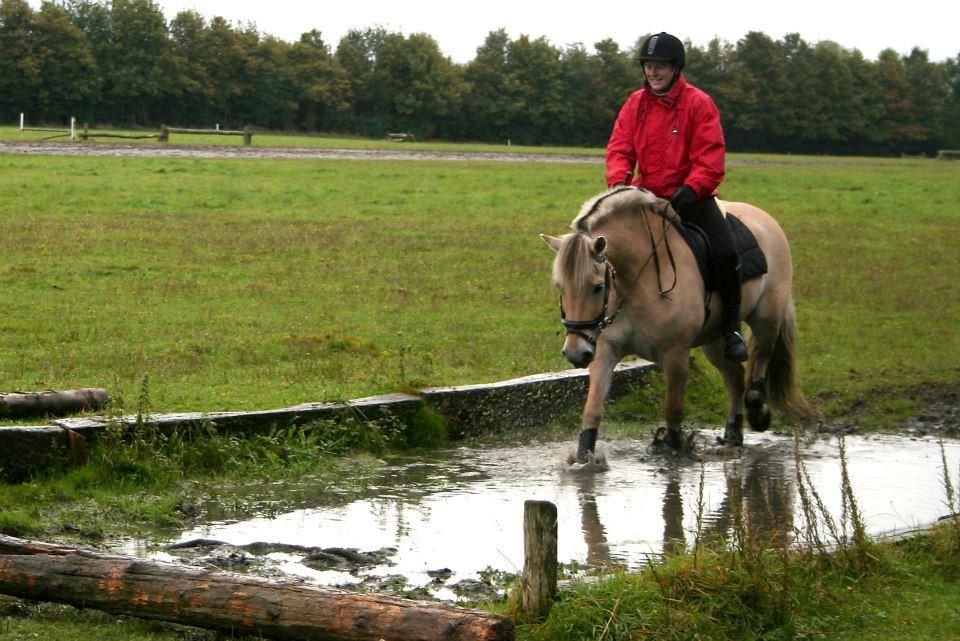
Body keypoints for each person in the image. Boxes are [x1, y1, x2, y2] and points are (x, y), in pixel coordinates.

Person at [606, 31, 748, 362]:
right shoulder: (634, 104)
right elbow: (619, 148)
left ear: (676, 68)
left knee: (726, 253)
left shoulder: (699, 103)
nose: (653, 72)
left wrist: (690, 191)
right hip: (645, 200)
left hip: (692, 200)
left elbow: (710, 157)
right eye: (649, 66)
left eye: (661, 66)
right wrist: (619, 185)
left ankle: (731, 328)